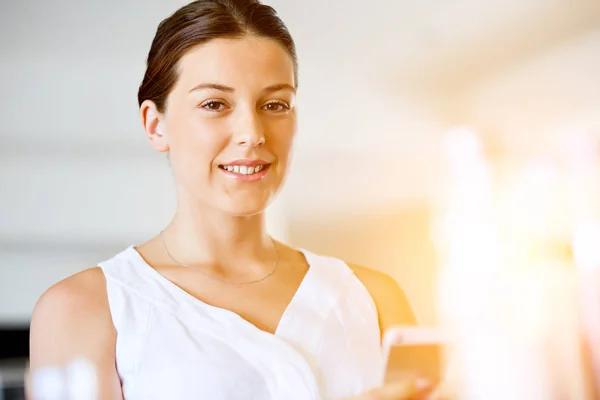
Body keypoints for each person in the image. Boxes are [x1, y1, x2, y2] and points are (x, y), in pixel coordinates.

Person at [28, 1, 430, 398]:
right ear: (155, 125)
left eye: (275, 105)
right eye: (214, 104)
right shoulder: (84, 309)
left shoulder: (374, 298)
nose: (252, 133)